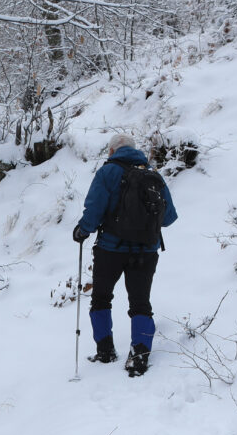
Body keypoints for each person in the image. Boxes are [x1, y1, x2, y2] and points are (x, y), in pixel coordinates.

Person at [72, 134, 178, 376]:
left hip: (110, 248)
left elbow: (94, 208)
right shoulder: (154, 175)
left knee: (101, 298)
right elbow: (169, 217)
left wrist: (82, 230)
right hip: (146, 251)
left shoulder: (107, 172)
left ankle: (105, 351)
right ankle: (139, 357)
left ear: (111, 151)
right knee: (140, 303)